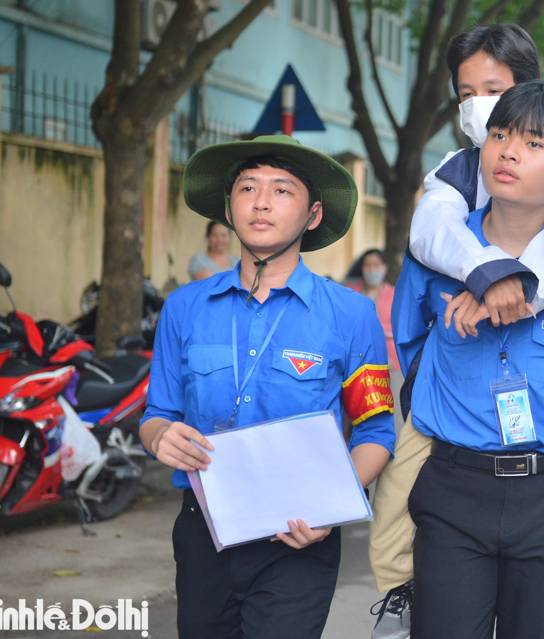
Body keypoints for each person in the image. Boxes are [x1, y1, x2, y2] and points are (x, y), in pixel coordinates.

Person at [368, 24, 544, 639]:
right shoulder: (450, 184)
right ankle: (398, 588)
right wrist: (479, 285)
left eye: (495, 89)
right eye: (469, 95)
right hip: (456, 480)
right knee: (395, 498)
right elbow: (411, 330)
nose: (485, 112)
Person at [139, 136, 397, 639]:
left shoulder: (350, 314)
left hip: (299, 536)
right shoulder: (183, 308)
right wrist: (158, 438)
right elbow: (157, 413)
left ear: (313, 213)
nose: (261, 201)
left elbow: (376, 431)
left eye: (282, 190)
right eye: (247, 187)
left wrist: (331, 508)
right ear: (229, 210)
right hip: (203, 532)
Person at [346, 249, 400, 372]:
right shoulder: (350, 292)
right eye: (367, 265)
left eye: (376, 265)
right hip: (356, 358)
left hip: (390, 359)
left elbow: (402, 326)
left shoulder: (395, 294)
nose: (371, 269)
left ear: (385, 268)